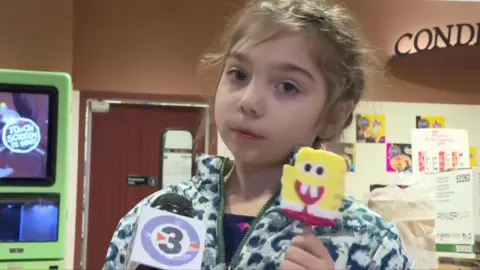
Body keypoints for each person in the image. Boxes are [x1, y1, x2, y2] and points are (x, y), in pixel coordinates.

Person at [103, 0, 412, 269]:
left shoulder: (371, 242)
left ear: (333, 116)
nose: (248, 101)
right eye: (239, 75)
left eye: (287, 86)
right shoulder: (153, 217)